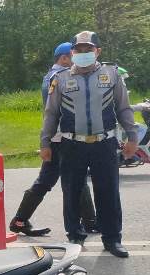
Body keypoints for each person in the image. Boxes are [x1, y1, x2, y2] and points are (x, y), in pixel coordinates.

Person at [41, 31, 137, 258]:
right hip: (72, 144)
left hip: (105, 143)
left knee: (108, 192)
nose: (83, 53)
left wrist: (132, 137)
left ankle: (112, 239)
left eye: (88, 49)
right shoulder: (61, 78)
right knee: (72, 192)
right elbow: (51, 114)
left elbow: (124, 108)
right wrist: (45, 142)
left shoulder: (112, 75)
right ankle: (74, 236)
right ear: (72, 52)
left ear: (98, 51)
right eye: (79, 50)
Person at [10, 42, 98, 236]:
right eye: (73, 55)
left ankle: (20, 220)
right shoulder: (58, 77)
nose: (77, 58)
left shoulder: (51, 75)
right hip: (62, 138)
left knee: (48, 179)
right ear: (64, 58)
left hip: (55, 137)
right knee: (77, 177)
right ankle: (90, 221)